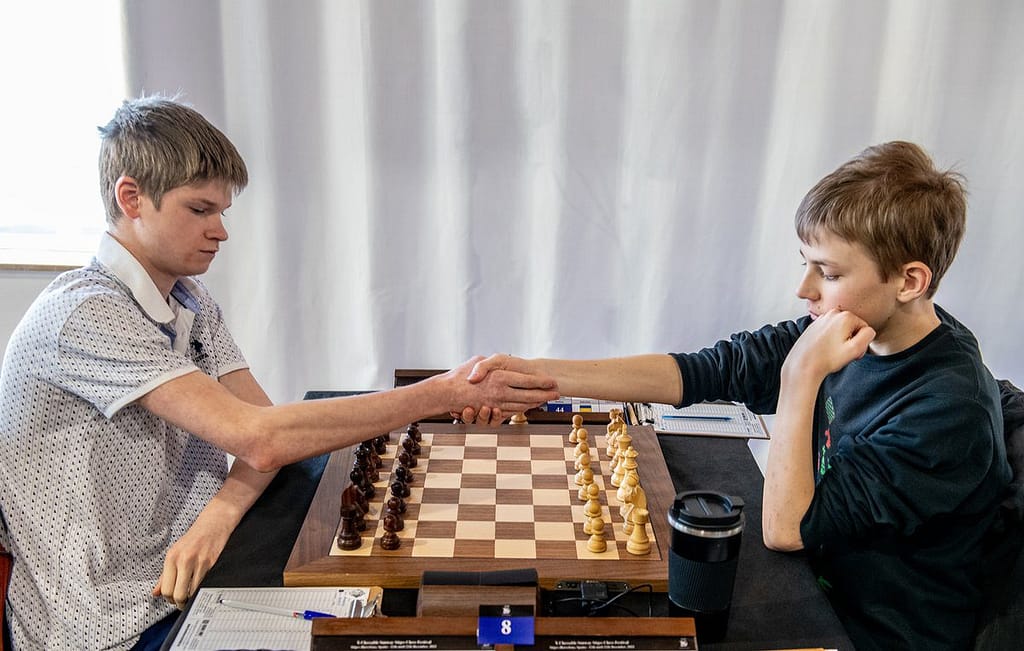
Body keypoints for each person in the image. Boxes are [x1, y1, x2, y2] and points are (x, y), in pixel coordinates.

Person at [0, 95, 558, 651]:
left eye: (222, 212)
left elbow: (264, 430)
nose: (220, 231)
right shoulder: (86, 314)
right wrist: (440, 392)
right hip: (115, 620)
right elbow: (263, 441)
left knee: (415, 614)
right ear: (132, 198)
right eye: (200, 210)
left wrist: (218, 513)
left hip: (202, 567)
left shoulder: (189, 301)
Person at [465, 142, 1012, 650]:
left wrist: (799, 380)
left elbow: (787, 530)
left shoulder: (948, 409)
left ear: (910, 281)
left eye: (828, 271)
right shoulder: (858, 329)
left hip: (868, 631)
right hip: (815, 585)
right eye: (806, 263)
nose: (805, 290)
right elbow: (704, 372)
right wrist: (538, 375)